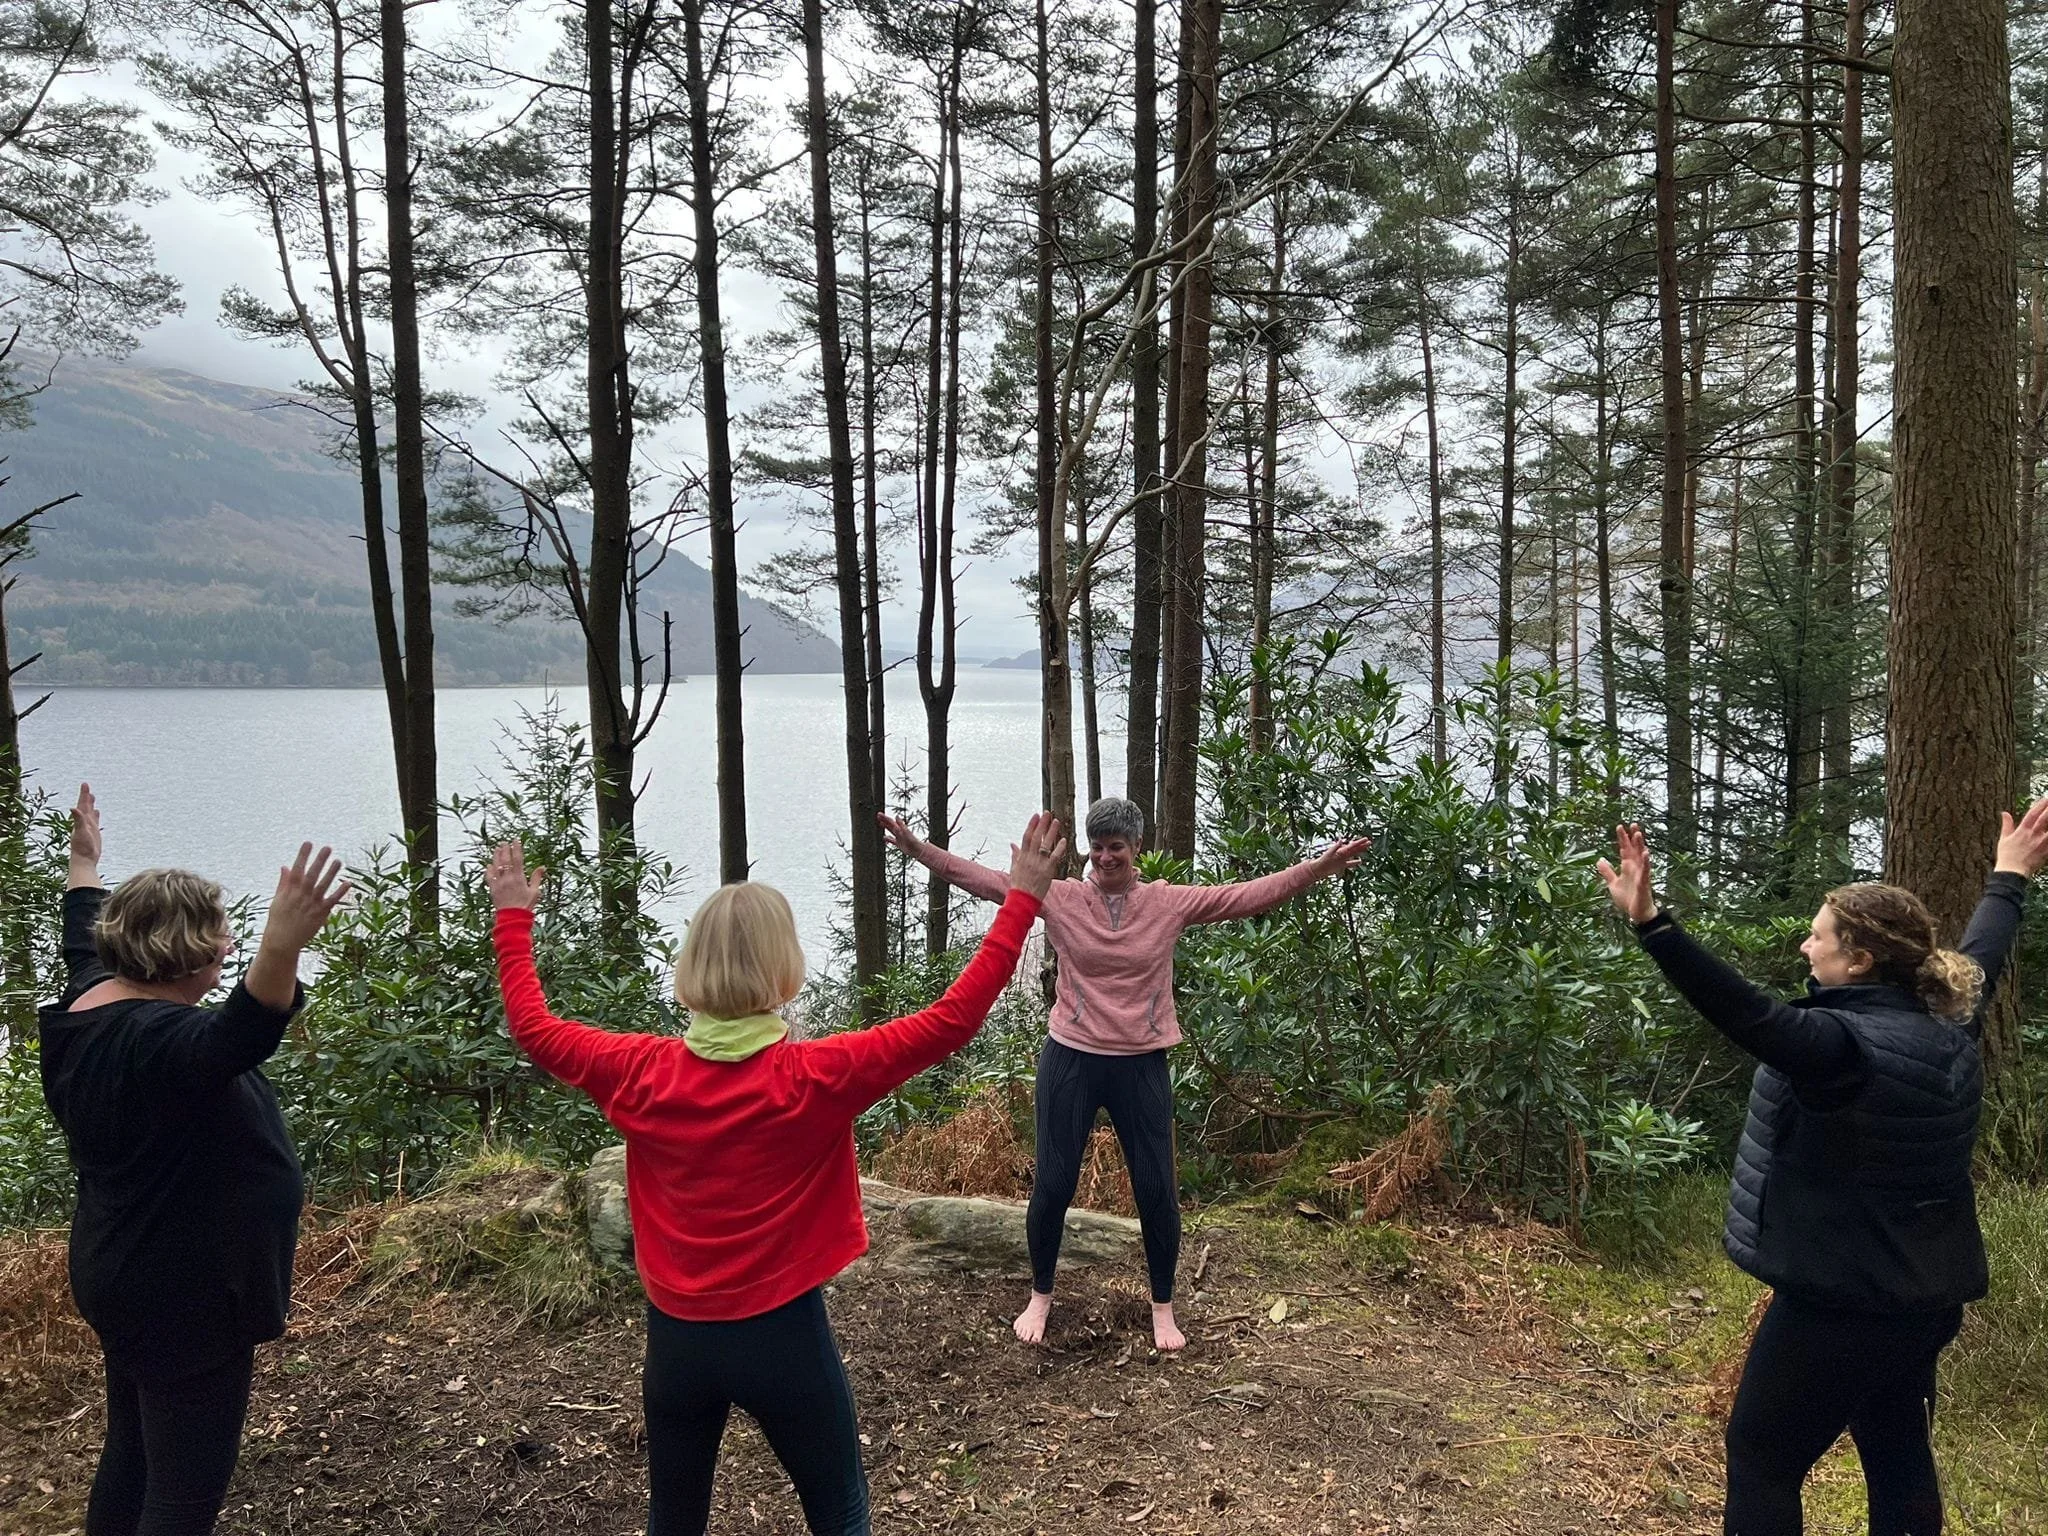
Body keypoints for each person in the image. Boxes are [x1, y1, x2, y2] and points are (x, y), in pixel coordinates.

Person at [487, 814, 1065, 1536]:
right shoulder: (814, 1077)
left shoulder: (639, 1072)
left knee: (675, 1518)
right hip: (782, 1337)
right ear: (783, 968)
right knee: (838, 1510)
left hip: (677, 1341)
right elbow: (952, 1020)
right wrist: (1023, 899)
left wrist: (512, 918)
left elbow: (532, 1027)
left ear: (692, 965)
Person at [1597, 802, 2048, 1536]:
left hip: (1843, 1302)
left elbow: (1746, 1014)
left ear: (1860, 960)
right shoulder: (1949, 1019)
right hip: (1926, 1298)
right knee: (1898, 1446)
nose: (1806, 948)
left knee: (1762, 1456)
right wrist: (2009, 875)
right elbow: (1985, 950)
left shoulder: (1841, 1049)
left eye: (1818, 937)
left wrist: (1654, 925)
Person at [879, 796, 1367, 1352]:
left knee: (1156, 1189)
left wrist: (1317, 868)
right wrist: (918, 850)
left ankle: (1163, 1306)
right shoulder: (1060, 899)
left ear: (1137, 848)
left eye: (1117, 846)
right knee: (1055, 1184)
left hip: (1141, 1063)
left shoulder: (1166, 904)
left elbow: (1244, 897)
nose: (1106, 857)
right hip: (1072, 1059)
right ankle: (1040, 1295)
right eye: (1098, 846)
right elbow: (987, 881)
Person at [39, 784, 348, 1536]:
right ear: (192, 956)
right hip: (186, 1293)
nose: (226, 949)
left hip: (125, 1269)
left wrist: (84, 864)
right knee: (182, 1496)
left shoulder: (89, 1001)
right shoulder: (159, 1045)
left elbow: (82, 928)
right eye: (220, 939)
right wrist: (282, 942)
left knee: (136, 1452)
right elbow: (238, 1036)